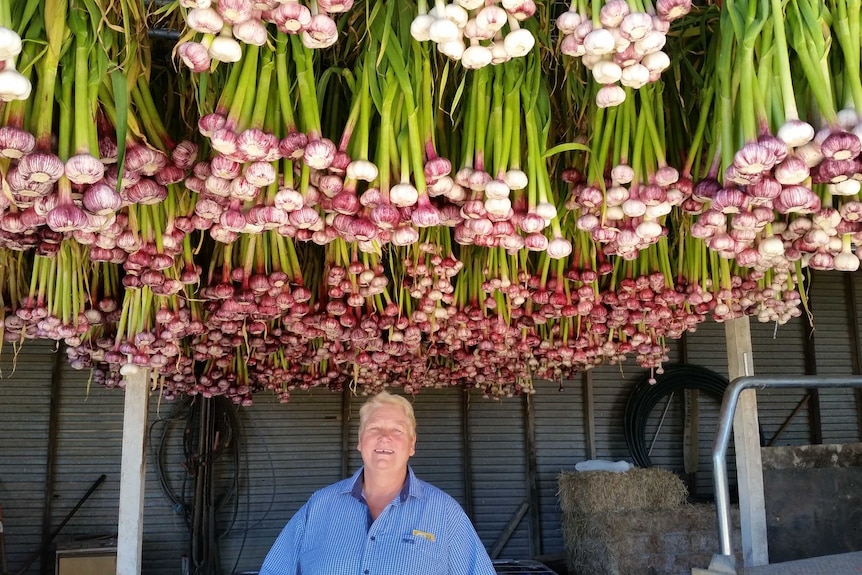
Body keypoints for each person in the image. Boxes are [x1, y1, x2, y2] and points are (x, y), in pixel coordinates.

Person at [259, 391, 497, 575]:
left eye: (397, 430)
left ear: (412, 444)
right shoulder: (319, 506)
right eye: (374, 428)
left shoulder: (444, 512)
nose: (385, 437)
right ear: (360, 441)